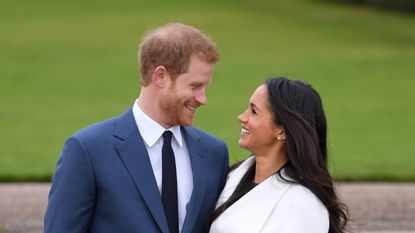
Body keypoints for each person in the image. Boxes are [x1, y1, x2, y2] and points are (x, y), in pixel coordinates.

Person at [44, 23, 229, 233]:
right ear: (161, 77)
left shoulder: (214, 152)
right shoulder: (88, 150)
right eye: (195, 86)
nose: (203, 99)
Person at [209, 77, 348, 233]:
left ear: (281, 131)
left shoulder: (304, 205)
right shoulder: (233, 175)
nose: (242, 117)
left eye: (254, 111)